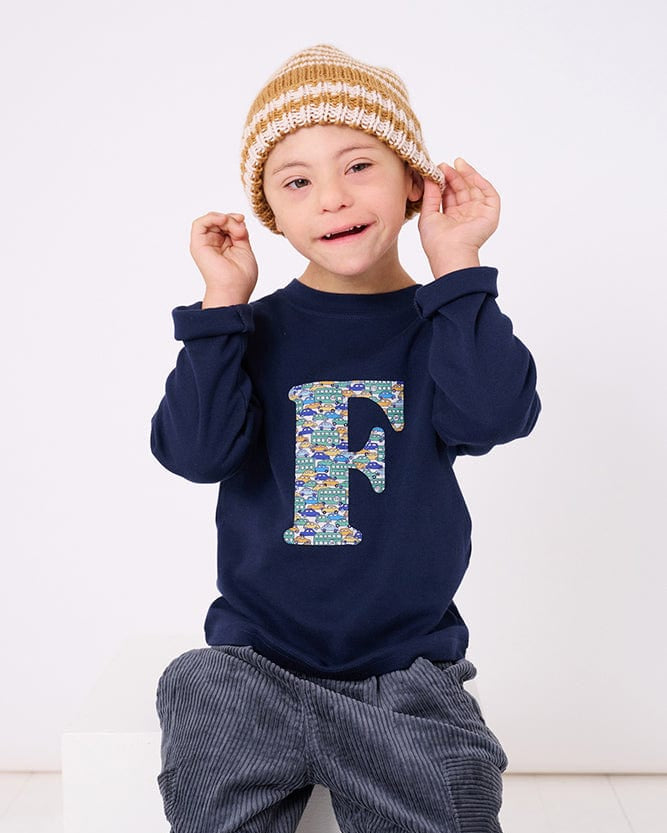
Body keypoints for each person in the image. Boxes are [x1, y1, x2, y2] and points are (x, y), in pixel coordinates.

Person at [151, 43, 541, 833]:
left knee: (452, 799)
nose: (329, 197)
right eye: (296, 181)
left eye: (358, 166)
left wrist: (458, 268)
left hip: (408, 673)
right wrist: (220, 307)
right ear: (272, 214)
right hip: (254, 665)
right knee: (196, 685)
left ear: (412, 183)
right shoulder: (248, 330)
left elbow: (495, 415)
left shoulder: (443, 322)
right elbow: (194, 452)